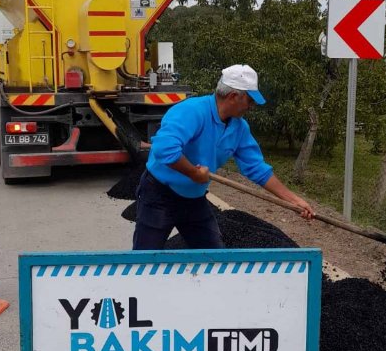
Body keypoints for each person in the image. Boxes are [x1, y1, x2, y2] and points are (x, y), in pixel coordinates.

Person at [133, 64, 314, 250]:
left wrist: (293, 200)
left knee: (214, 259)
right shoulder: (192, 111)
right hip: (159, 194)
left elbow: (257, 169)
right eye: (250, 101)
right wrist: (192, 173)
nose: (251, 107)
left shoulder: (239, 128)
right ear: (234, 96)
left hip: (194, 199)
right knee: (144, 261)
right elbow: (164, 149)